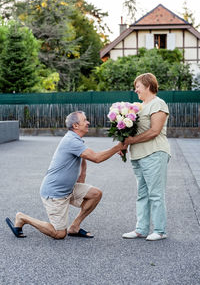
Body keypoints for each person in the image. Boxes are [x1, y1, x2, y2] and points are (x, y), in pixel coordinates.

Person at [6, 111, 126, 239]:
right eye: (84, 120)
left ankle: (74, 227)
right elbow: (96, 158)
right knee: (59, 234)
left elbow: (83, 157)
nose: (88, 123)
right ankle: (22, 218)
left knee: (95, 194)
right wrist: (117, 147)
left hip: (68, 188)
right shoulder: (71, 141)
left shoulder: (76, 139)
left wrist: (82, 177)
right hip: (55, 193)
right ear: (75, 125)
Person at [122, 73, 171, 241]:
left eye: (138, 86)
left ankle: (160, 230)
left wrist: (132, 140)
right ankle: (141, 229)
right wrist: (125, 144)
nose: (136, 90)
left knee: (155, 193)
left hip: (154, 153)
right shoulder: (139, 106)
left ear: (148, 86)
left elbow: (154, 131)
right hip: (138, 155)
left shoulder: (158, 104)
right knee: (142, 194)